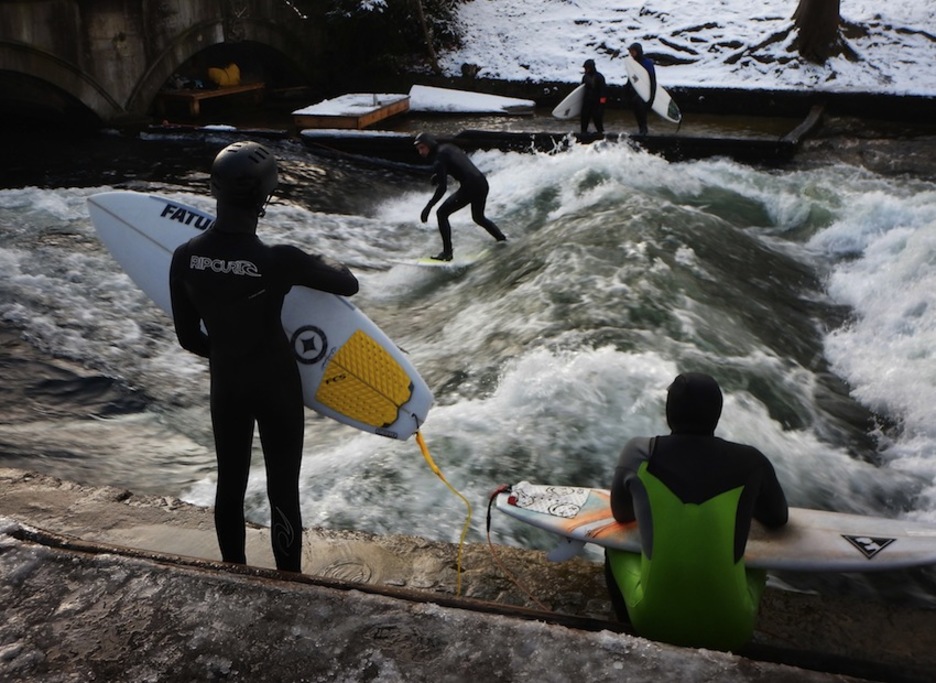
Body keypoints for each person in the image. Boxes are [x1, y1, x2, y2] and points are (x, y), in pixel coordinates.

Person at [169, 141, 359, 573]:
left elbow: (187, 336)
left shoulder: (185, 257)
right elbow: (347, 283)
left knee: (230, 485)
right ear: (265, 196)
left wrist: (226, 356)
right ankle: (287, 581)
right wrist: (317, 256)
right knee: (282, 490)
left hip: (228, 384)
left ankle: (234, 572)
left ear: (214, 189)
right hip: (276, 385)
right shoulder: (279, 260)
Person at [605, 372, 789, 651]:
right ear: (717, 414)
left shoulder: (639, 453)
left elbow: (621, 515)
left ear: (668, 414)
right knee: (755, 558)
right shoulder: (751, 461)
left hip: (653, 622)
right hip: (732, 629)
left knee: (613, 543)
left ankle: (627, 627)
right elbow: (778, 518)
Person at [414, 132, 506, 262]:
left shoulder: (439, 157)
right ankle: (502, 239)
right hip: (482, 183)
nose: (420, 152)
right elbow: (457, 163)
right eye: (418, 149)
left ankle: (447, 253)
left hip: (470, 187)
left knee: (441, 213)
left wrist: (429, 206)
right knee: (479, 218)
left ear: (429, 144)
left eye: (422, 148)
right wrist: (440, 175)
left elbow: (442, 188)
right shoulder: (448, 147)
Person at [624, 42, 655, 135]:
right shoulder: (633, 63)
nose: (631, 54)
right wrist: (626, 90)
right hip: (634, 91)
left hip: (645, 92)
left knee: (641, 108)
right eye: (630, 52)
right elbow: (632, 78)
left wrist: (651, 97)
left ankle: (644, 130)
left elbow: (652, 80)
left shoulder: (647, 63)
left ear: (638, 51)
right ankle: (641, 129)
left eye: (632, 52)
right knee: (636, 110)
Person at [580, 58, 607, 135]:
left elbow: (603, 92)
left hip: (597, 103)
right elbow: (581, 90)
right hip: (586, 103)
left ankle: (601, 134)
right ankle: (583, 133)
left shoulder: (599, 77)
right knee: (584, 119)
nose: (585, 69)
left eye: (587, 68)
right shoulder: (585, 77)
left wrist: (602, 105)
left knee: (597, 120)